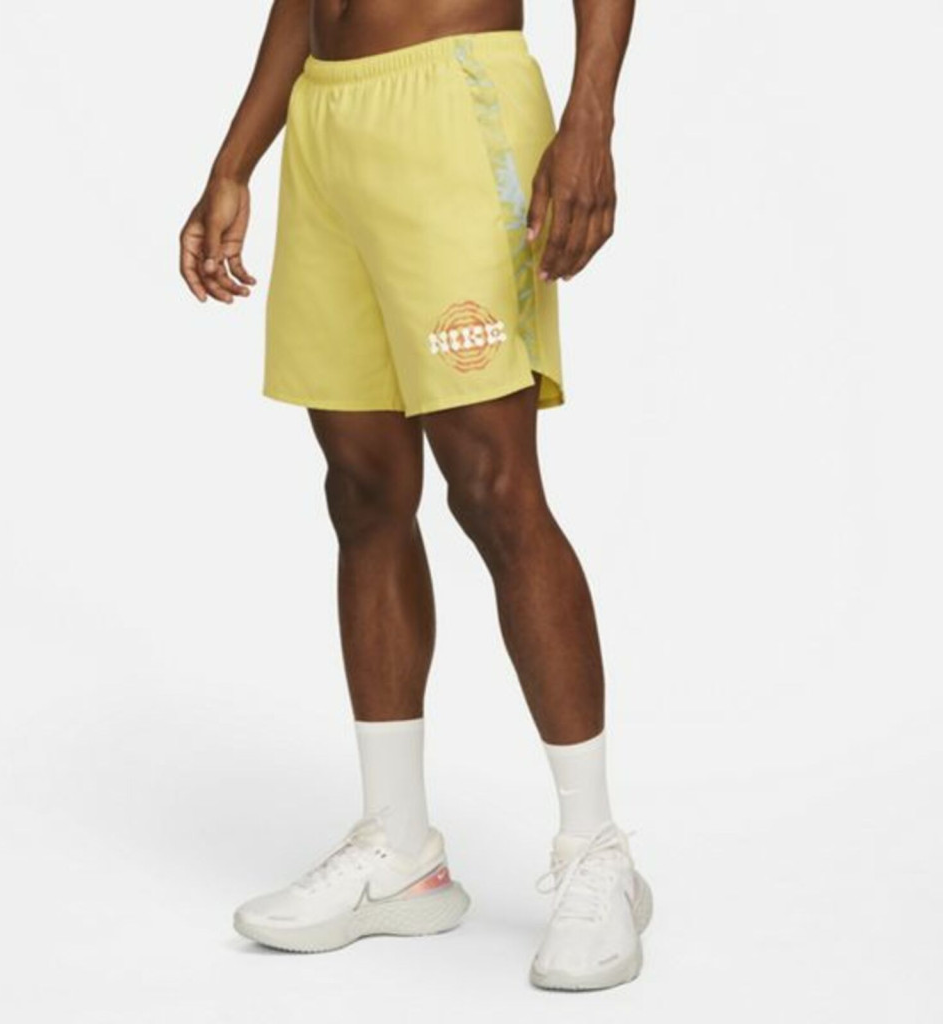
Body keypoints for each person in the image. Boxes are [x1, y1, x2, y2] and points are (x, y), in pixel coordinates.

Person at [179, 0, 647, 992]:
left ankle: (596, 849)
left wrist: (590, 116)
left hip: (453, 102)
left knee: (492, 487)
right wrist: (234, 161)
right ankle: (398, 849)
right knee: (363, 490)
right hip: (326, 120)